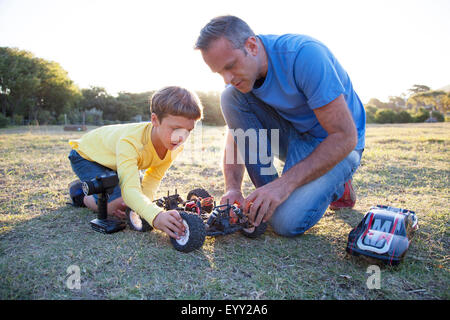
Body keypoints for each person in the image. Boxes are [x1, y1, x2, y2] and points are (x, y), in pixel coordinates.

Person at [195, 16, 366, 237]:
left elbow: (345, 137)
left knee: (284, 223)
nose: (227, 78)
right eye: (220, 72)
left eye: (230, 66)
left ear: (252, 46)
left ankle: (336, 182)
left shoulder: (306, 55)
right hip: (291, 133)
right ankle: (271, 196)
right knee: (229, 96)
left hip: (337, 144)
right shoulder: (241, 81)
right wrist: (233, 188)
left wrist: (283, 186)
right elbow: (238, 132)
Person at [67, 86, 202, 240]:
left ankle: (107, 186)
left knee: (130, 202)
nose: (181, 138)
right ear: (155, 120)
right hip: (87, 156)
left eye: (188, 131)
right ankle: (81, 193)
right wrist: (155, 216)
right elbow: (130, 192)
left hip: (116, 162)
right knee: (118, 204)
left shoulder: (175, 146)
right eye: (175, 128)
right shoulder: (131, 142)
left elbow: (153, 178)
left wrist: (142, 208)